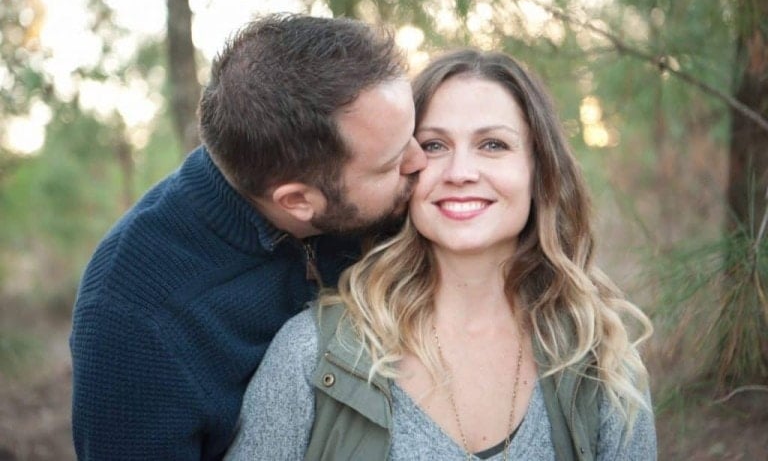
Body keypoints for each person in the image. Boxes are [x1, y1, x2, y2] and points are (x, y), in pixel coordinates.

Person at [225, 49, 657, 460]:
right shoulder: (313, 354)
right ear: (402, 166)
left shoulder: (602, 359)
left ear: (539, 170)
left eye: (493, 145)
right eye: (434, 145)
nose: (460, 173)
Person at [69, 14, 426, 460]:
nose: (421, 161)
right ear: (298, 201)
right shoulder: (135, 319)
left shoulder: (384, 199)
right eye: (391, 163)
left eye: (414, 134)